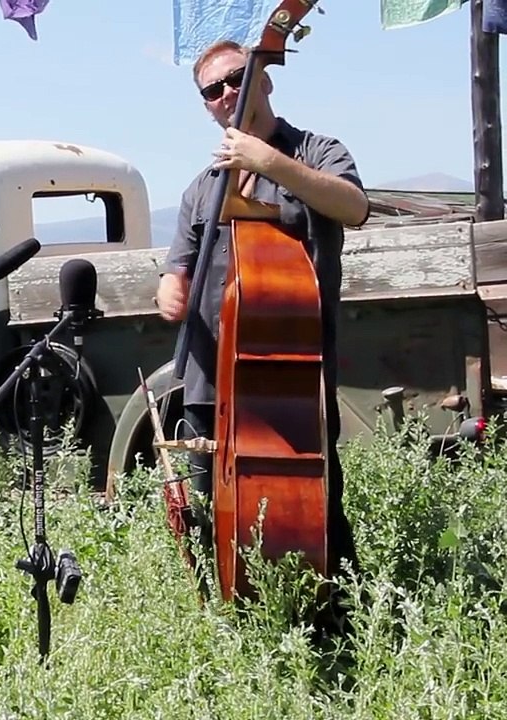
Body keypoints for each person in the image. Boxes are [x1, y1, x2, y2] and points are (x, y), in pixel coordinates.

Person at [157, 40, 369, 615]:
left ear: (265, 81)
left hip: (288, 374)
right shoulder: (202, 186)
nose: (227, 94)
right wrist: (170, 288)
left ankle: (330, 622)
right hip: (210, 380)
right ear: (205, 105)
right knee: (210, 515)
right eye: (213, 90)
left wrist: (268, 162)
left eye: (236, 80)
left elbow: (352, 206)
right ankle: (227, 622)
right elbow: (179, 266)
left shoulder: (316, 151)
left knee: (315, 508)